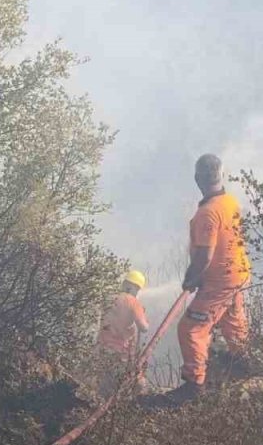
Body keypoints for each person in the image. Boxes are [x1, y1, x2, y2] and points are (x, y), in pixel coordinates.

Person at [165, 153, 251, 405]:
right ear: (220, 175)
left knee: (191, 328)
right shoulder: (230, 202)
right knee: (231, 319)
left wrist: (191, 278)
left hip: (220, 280)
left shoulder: (208, 214)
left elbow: (204, 254)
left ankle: (194, 385)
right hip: (238, 274)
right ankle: (242, 363)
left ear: (197, 179)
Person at [96, 269, 150, 397]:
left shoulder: (109, 298)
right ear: (136, 288)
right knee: (137, 382)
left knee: (104, 384)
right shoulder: (133, 302)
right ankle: (133, 407)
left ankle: (101, 404)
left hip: (103, 349)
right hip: (122, 354)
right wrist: (144, 317)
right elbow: (144, 328)